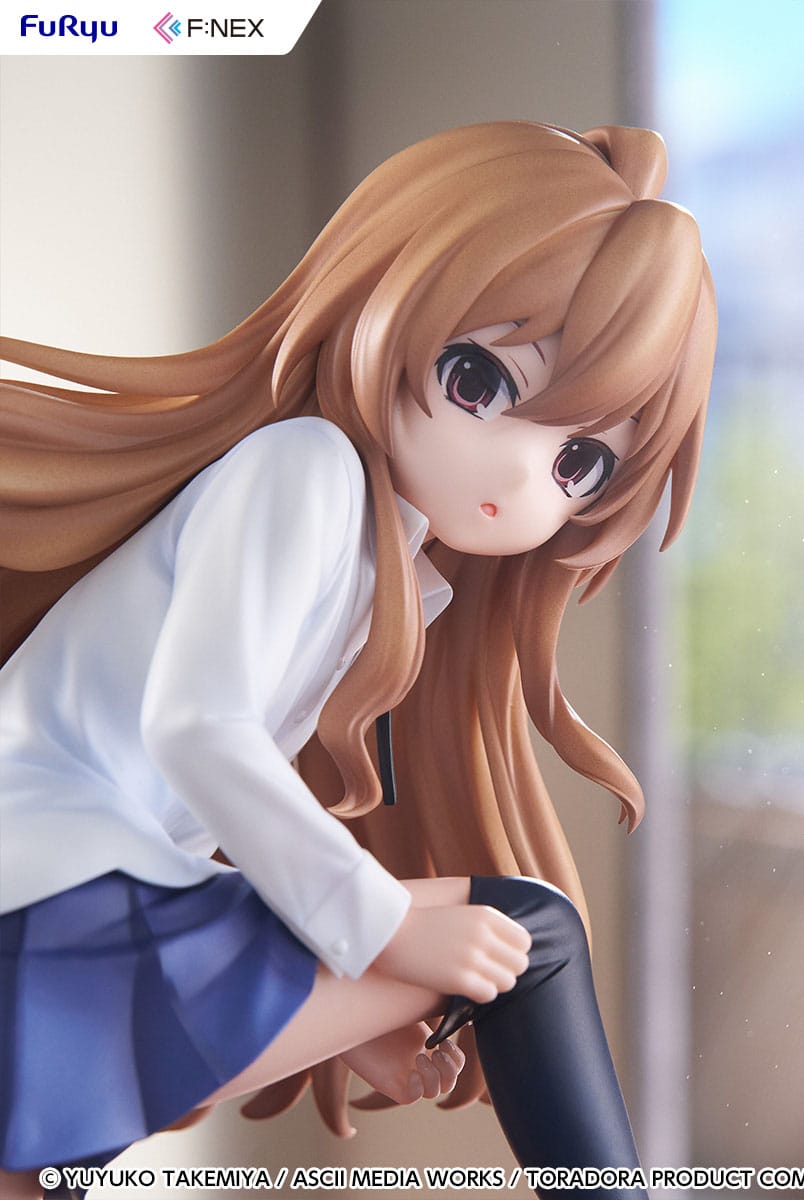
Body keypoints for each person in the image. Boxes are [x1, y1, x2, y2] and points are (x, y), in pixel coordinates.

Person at [0, 120, 716, 1199]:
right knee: (534, 929)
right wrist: (378, 932)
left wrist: (351, 993)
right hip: (57, 893)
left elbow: (188, 807)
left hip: (66, 892)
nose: (518, 476)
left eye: (579, 463)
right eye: (478, 379)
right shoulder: (305, 468)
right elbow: (196, 731)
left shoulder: (386, 564)